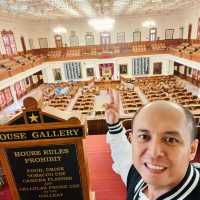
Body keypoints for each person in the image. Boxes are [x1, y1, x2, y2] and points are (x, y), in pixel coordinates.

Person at [105, 90, 200, 200]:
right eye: (144, 137)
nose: (153, 153)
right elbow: (122, 155)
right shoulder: (137, 173)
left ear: (192, 149)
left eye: (170, 140)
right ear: (132, 140)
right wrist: (114, 125)